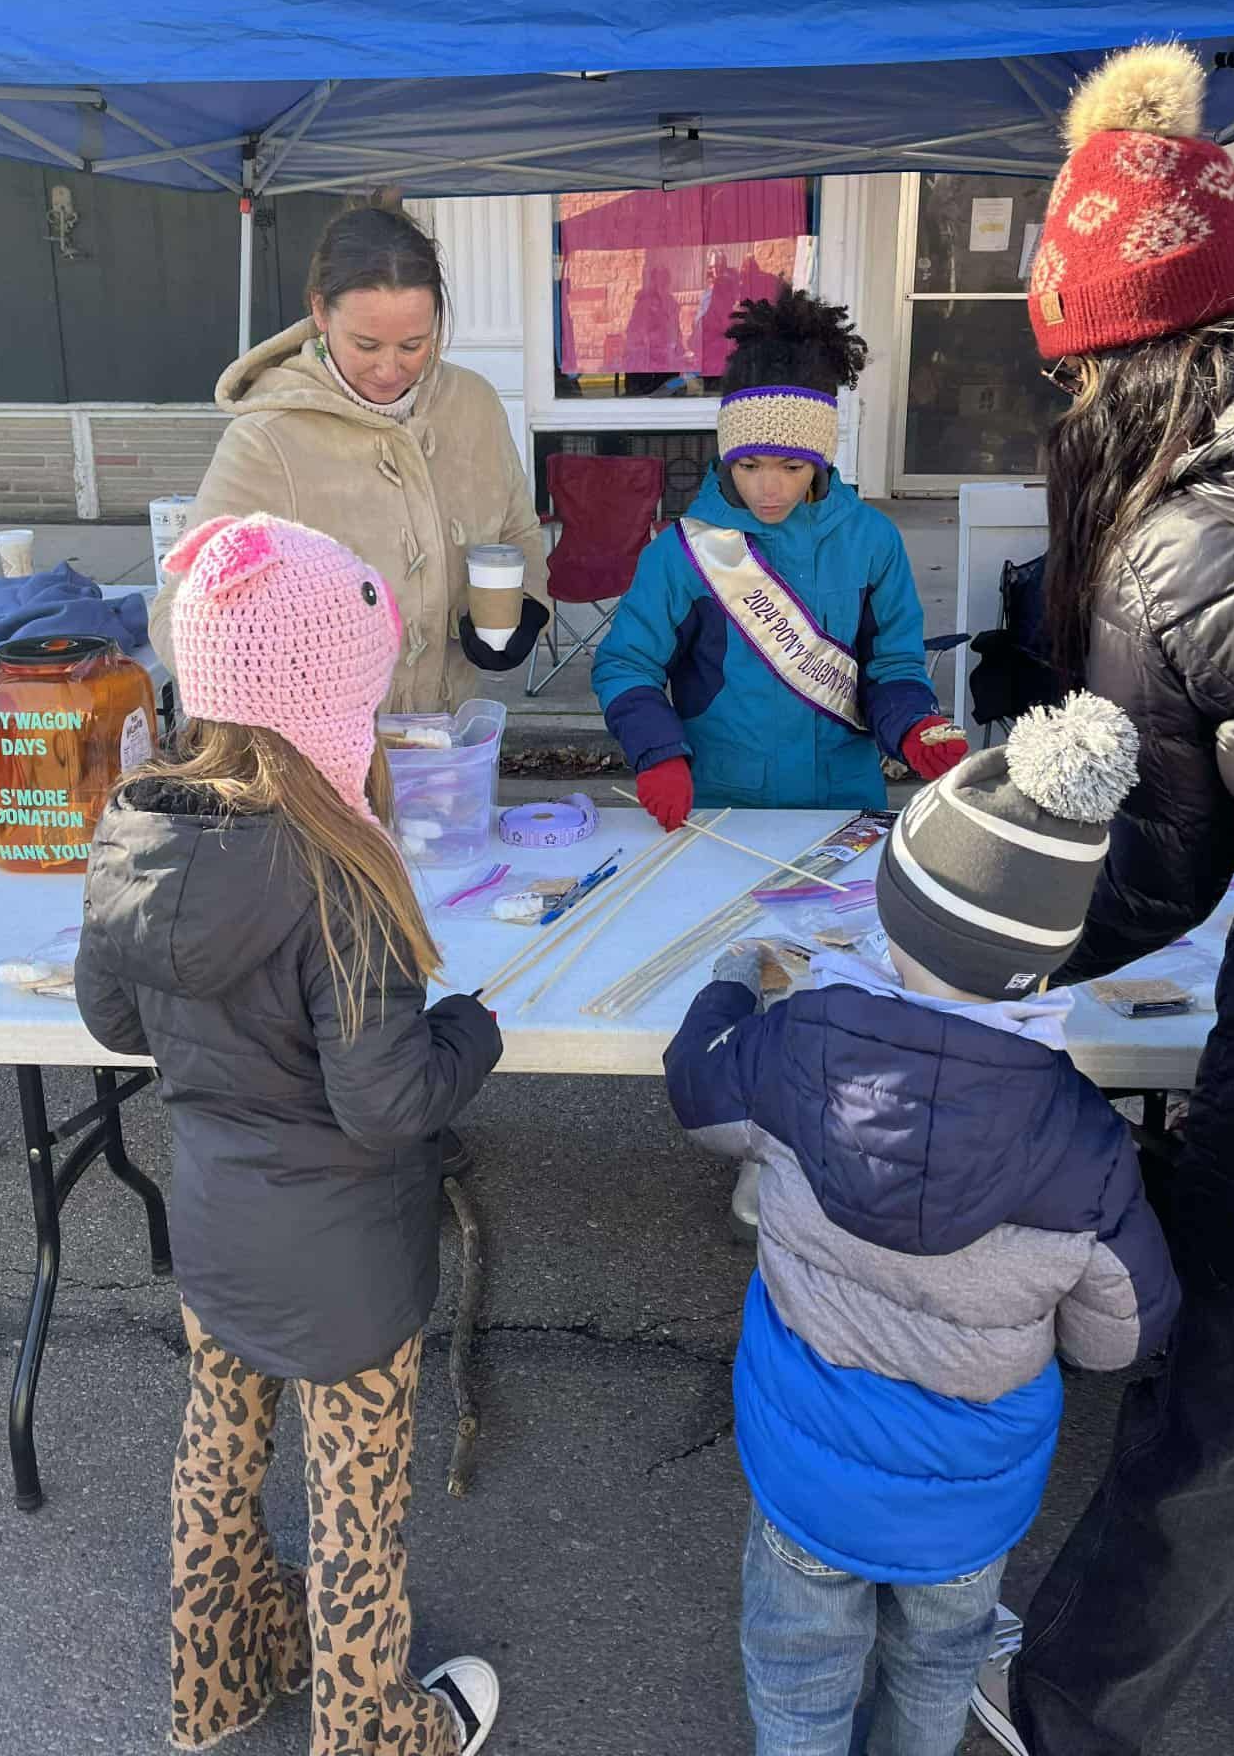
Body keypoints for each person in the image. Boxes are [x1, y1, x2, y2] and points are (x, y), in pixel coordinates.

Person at [966, 42, 1234, 1756]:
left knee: (1221, 1419)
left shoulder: (1178, 541)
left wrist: (980, 904)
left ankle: (1071, 1713)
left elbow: (1158, 867)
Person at [663, 696, 1178, 1756]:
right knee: (938, 1668)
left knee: (801, 1675)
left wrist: (730, 985)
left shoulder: (800, 1044)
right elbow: (1119, 1332)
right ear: (1044, 966)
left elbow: (701, 1097)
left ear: (888, 911)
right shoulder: (1081, 1142)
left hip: (806, 1473)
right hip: (967, 1505)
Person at [75, 512, 503, 1756]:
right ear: (328, 699)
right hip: (348, 1265)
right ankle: (370, 1723)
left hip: (217, 1231)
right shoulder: (340, 877)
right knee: (356, 1499)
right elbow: (387, 1101)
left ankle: (215, 1681)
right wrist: (471, 1034)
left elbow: (112, 1018)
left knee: (218, 1453)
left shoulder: (135, 833)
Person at [148, 200, 548, 713]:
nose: (389, 369)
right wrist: (281, 681)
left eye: (413, 344)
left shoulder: (473, 405)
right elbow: (177, 615)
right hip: (319, 764)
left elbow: (517, 532)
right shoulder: (267, 441)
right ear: (320, 310)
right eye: (366, 344)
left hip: (445, 742)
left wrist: (527, 607)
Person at [593, 288, 968, 827]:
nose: (769, 489)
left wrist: (912, 725)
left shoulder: (873, 541)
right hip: (724, 805)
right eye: (750, 466)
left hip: (844, 806)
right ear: (726, 457)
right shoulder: (681, 552)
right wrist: (659, 752)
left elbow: (894, 664)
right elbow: (627, 663)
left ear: (819, 460)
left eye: (791, 468)